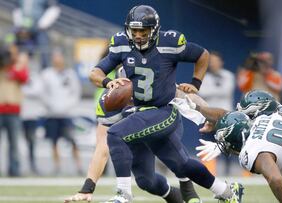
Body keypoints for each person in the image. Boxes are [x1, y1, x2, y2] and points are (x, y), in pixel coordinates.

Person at [89, 5, 242, 203]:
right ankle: (228, 192)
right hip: (136, 114)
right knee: (174, 168)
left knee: (116, 134)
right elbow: (95, 72)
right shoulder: (121, 44)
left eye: (143, 31)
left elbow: (202, 54)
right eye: (134, 31)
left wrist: (196, 83)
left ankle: (123, 194)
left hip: (162, 111)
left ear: (154, 30)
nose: (138, 36)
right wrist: (107, 82)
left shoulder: (169, 43)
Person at [64, 66, 202, 203]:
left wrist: (212, 117)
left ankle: (187, 186)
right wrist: (88, 187)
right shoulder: (110, 102)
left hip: (164, 123)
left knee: (174, 157)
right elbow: (102, 148)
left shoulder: (159, 85)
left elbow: (190, 98)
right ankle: (172, 195)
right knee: (146, 181)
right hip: (136, 134)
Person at [41, 50, 82, 175]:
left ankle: (79, 166)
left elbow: (76, 92)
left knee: (73, 141)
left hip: (67, 114)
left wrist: (68, 106)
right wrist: (50, 106)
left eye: (59, 57)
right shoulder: (46, 74)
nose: (57, 60)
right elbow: (42, 93)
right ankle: (57, 166)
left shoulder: (70, 74)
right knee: (54, 142)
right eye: (55, 57)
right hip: (52, 114)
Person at [0, 43, 28, 177]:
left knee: (14, 144)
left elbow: (23, 77)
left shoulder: (18, 66)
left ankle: (14, 171)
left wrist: (13, 62)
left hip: (13, 111)